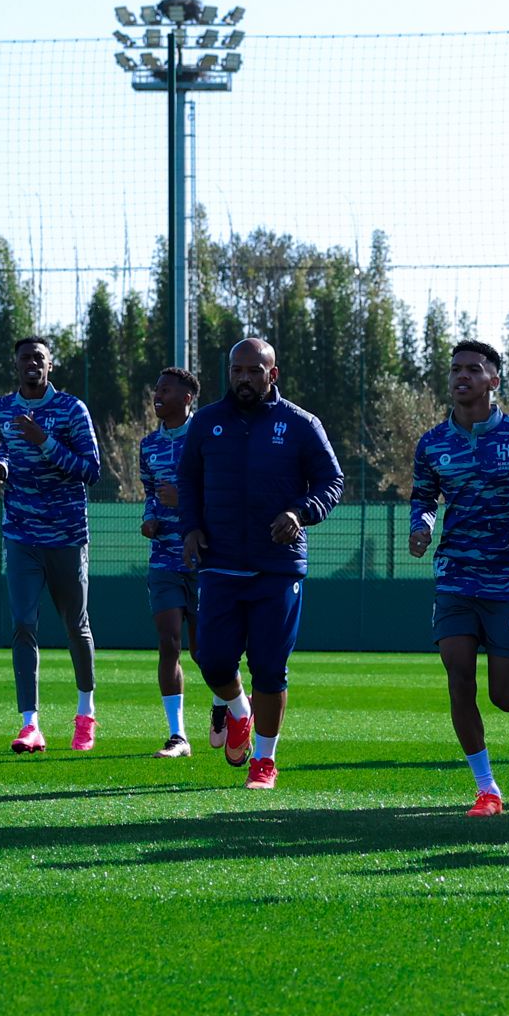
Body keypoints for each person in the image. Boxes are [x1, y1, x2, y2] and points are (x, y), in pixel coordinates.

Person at [178, 337, 345, 791]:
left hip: (278, 567)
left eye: (254, 371)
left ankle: (265, 762)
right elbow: (187, 480)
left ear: (272, 374)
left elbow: (332, 482)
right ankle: (238, 710)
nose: (244, 378)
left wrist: (300, 513)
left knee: (270, 668)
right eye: (237, 370)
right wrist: (190, 526)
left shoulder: (301, 424)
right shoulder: (206, 422)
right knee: (211, 660)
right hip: (220, 563)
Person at [409, 340, 509, 814]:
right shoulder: (432, 443)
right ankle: (487, 788)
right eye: (456, 369)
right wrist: (422, 526)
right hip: (455, 575)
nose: (462, 376)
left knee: (502, 696)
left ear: (494, 380)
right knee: (458, 674)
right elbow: (423, 496)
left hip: (508, 579)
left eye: (474, 370)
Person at [0, 335, 103, 752]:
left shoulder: (71, 409)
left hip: (66, 535)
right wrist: (0, 466)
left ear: (50, 366)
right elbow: (8, 448)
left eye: (39, 357)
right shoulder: (3, 408)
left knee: (76, 625)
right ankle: (30, 724)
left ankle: (85, 714)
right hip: (20, 534)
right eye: (25, 358)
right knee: (23, 624)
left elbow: (92, 470)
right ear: (16, 365)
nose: (32, 363)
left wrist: (46, 442)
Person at [136, 366, 207, 756]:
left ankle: (224, 704)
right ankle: (178, 735)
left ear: (187, 398)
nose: (157, 395)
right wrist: (149, 517)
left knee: (205, 651)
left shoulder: (207, 439)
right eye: (156, 389)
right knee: (169, 643)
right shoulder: (148, 445)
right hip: (164, 556)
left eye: (166, 390)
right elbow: (150, 491)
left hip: (203, 556)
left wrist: (186, 501)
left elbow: (222, 494)